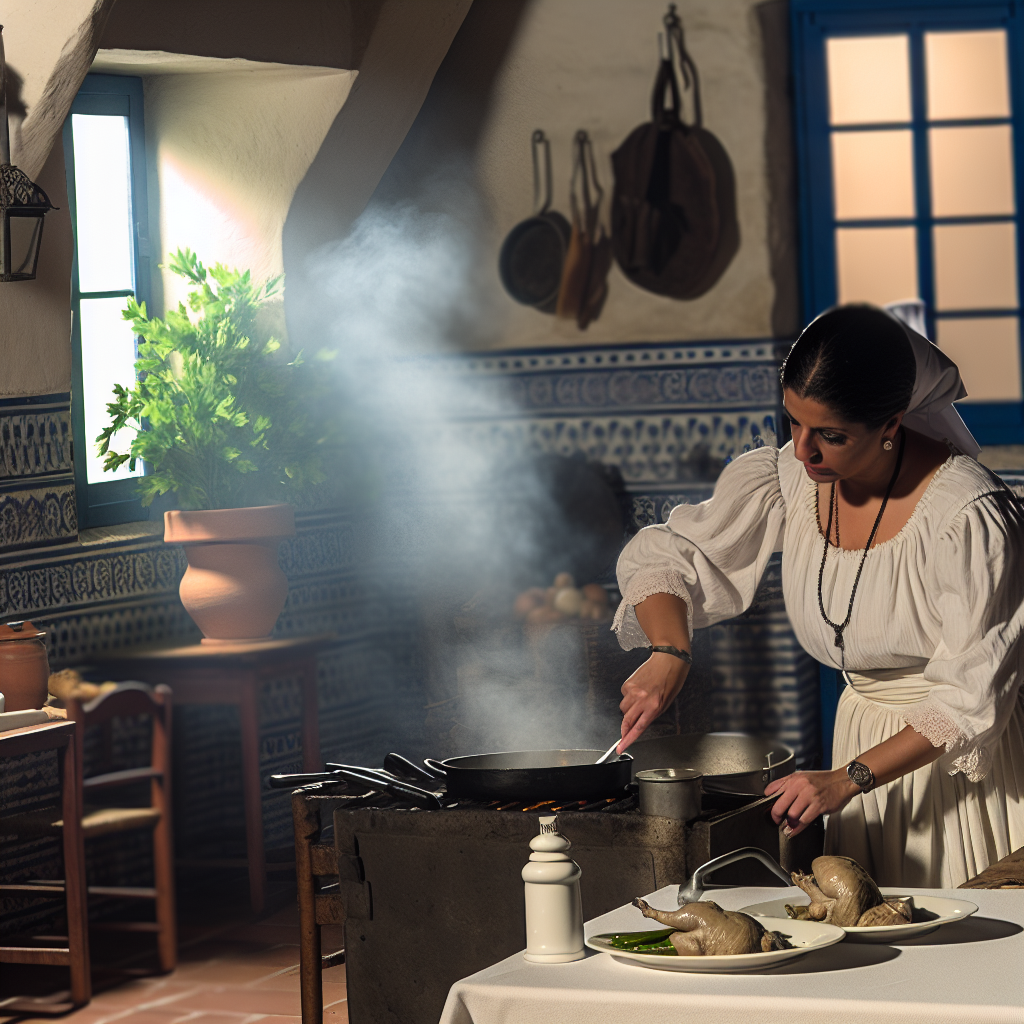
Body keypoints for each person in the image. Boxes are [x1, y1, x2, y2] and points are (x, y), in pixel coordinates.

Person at [612, 304, 1024, 887]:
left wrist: (846, 779)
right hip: (858, 742)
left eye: (830, 436)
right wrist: (669, 652)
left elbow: (969, 701)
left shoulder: (968, 516)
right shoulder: (791, 478)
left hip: (954, 767)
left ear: (891, 424)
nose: (803, 452)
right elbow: (672, 552)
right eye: (793, 424)